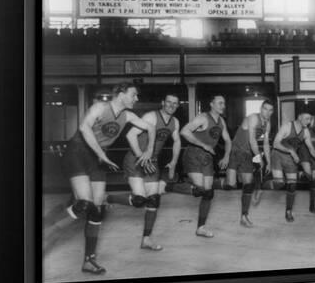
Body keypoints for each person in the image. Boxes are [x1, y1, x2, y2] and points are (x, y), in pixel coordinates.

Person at [60, 83, 155, 275]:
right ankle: (51, 223)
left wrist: (149, 150)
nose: (136, 99)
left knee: (96, 211)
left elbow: (151, 128)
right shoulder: (100, 108)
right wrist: (102, 156)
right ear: (121, 94)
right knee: (84, 204)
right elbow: (84, 128)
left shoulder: (128, 116)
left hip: (98, 156)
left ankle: (89, 260)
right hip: (79, 151)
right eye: (133, 95)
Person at [111, 93, 181, 251]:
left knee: (154, 200)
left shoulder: (175, 122)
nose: (171, 105)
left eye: (175, 103)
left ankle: (146, 240)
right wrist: (141, 156)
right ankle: (108, 198)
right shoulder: (151, 117)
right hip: (135, 159)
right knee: (139, 200)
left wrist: (174, 162)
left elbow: (177, 141)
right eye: (169, 102)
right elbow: (130, 134)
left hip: (152, 162)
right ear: (163, 102)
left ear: (178, 105)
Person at [180, 95, 232, 237]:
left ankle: (200, 228)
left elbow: (227, 140)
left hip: (208, 157)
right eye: (220, 103)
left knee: (208, 194)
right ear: (211, 104)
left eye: (224, 103)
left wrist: (226, 156)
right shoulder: (203, 117)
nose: (223, 105)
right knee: (201, 190)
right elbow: (184, 131)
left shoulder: (221, 121)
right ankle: (167, 187)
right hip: (194, 153)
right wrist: (204, 145)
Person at [226, 100, 273, 227]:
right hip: (236, 151)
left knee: (248, 184)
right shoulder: (253, 118)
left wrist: (268, 162)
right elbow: (252, 140)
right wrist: (259, 158)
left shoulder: (267, 124)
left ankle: (244, 216)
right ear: (261, 109)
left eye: (270, 110)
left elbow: (266, 144)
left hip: (247, 154)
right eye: (265, 109)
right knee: (230, 185)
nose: (267, 112)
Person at [271, 113, 315, 222]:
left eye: (310, 119)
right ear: (299, 118)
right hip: (278, 155)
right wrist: (291, 151)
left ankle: (288, 211)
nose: (309, 121)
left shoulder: (305, 132)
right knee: (279, 184)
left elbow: (311, 149)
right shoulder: (287, 126)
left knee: (292, 185)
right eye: (306, 118)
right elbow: (275, 144)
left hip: (291, 158)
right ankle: (261, 184)